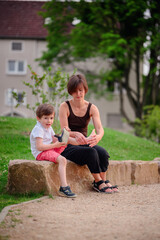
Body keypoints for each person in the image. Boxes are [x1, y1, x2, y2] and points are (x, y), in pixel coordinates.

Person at [59, 74, 118, 193]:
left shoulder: (92, 108)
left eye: (80, 90)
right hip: (68, 144)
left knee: (103, 153)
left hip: (83, 143)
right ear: (70, 92)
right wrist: (75, 134)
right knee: (91, 152)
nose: (78, 94)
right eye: (74, 91)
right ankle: (98, 182)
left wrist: (97, 137)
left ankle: (103, 180)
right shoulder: (64, 106)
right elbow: (64, 133)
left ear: (85, 90)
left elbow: (100, 129)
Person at [30, 103, 77, 198]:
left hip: (49, 149)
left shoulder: (48, 127)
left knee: (65, 141)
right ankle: (64, 187)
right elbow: (39, 147)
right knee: (62, 160)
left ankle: (84, 142)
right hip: (41, 153)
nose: (49, 121)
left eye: (51, 118)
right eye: (46, 118)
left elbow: (55, 139)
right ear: (38, 118)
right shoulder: (38, 129)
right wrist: (55, 145)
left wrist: (65, 134)